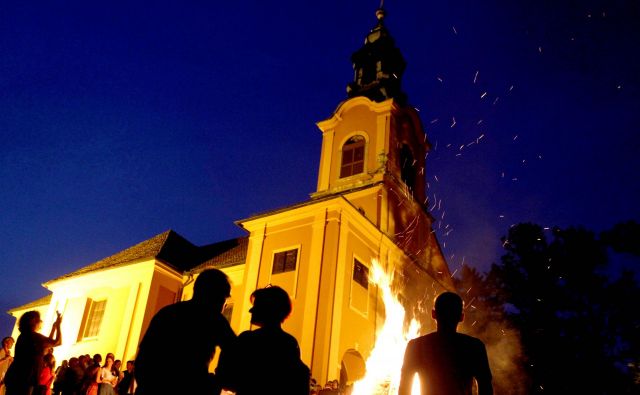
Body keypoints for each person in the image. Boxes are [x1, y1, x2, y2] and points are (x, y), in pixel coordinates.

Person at [134, 269, 236, 394]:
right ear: (216, 296)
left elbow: (142, 362)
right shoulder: (213, 319)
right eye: (225, 298)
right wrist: (215, 382)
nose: (225, 306)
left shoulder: (167, 313)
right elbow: (236, 351)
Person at [217, 286, 310, 395]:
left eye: (256, 305)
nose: (250, 310)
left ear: (268, 309)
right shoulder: (290, 343)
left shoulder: (247, 339)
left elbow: (227, 379)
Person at [398, 292, 493, 395]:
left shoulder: (416, 346)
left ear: (433, 314)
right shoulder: (474, 347)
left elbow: (404, 388)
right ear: (461, 317)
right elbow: (486, 387)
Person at [4, 311, 62, 395]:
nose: (41, 323)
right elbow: (57, 342)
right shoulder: (34, 337)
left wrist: (53, 328)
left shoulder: (25, 336)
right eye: (39, 320)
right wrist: (58, 325)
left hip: (16, 377)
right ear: (34, 321)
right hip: (25, 379)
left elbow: (47, 344)